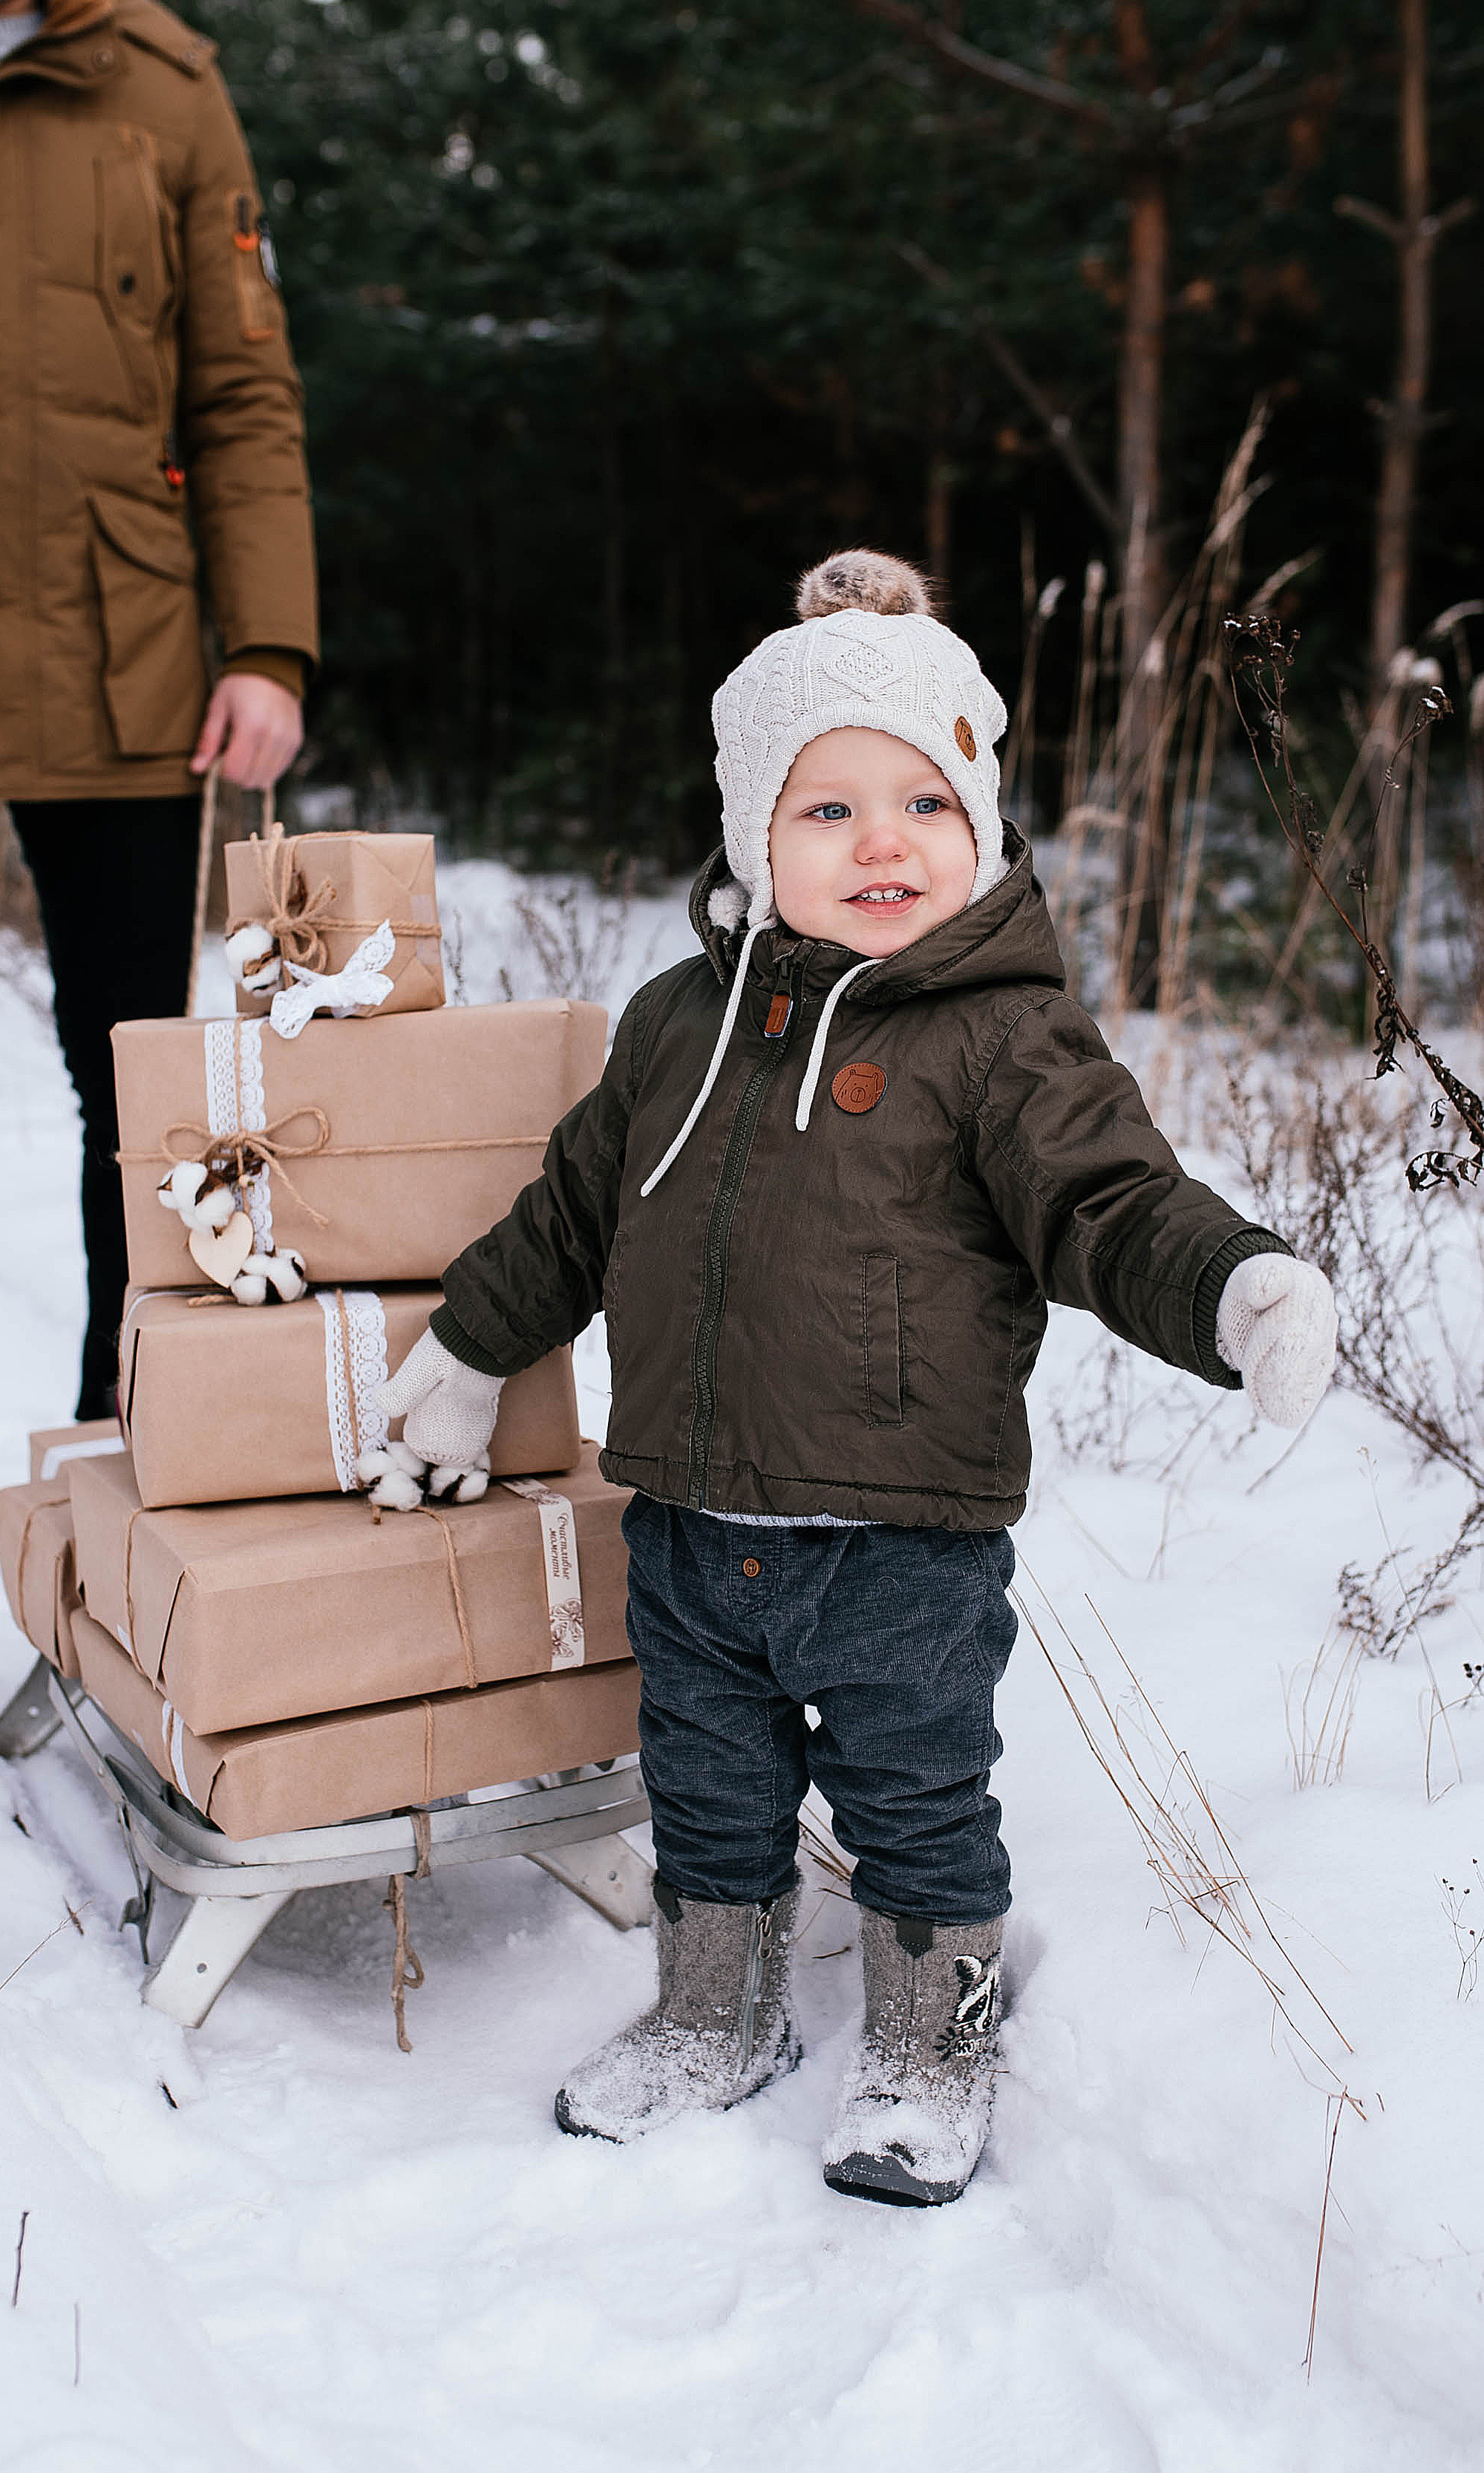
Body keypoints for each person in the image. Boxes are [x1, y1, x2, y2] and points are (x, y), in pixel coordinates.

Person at [375, 549, 1338, 2207]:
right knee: (707, 1792)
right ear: (753, 835)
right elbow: (577, 1212)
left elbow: (1112, 1203)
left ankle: (926, 2041)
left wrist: (1231, 1287)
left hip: (900, 1540)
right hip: (688, 1523)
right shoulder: (674, 1024)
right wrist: (471, 1345)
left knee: (916, 1802)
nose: (883, 843)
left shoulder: (1004, 1037)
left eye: (923, 804)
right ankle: (713, 2013)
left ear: (981, 825)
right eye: (827, 810)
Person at [0, 0, 318, 1590]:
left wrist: (266, 645)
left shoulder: (167, 89)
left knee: (135, 1088)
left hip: (121, 664)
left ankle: (127, 1415)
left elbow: (241, 394)